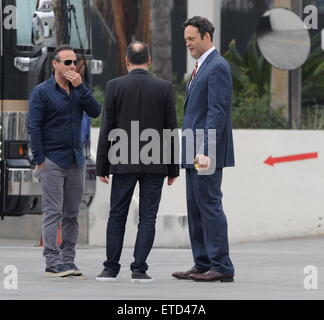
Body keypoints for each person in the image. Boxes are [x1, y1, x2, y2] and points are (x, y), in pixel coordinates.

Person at [96, 41, 179, 283]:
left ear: (126, 60)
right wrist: (173, 168)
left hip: (122, 160)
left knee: (117, 214)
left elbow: (107, 128)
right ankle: (139, 269)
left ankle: (110, 268)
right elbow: (170, 129)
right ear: (149, 60)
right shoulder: (164, 87)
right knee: (148, 216)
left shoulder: (114, 86)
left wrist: (102, 166)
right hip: (155, 162)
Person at [28, 44, 101, 277]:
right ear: (55, 64)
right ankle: (52, 259)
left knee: (72, 213)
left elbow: (95, 111)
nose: (72, 66)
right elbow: (34, 127)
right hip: (52, 160)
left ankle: (68, 259)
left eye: (74, 62)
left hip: (75, 160)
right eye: (67, 62)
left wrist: (81, 87)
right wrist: (40, 159)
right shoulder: (41, 92)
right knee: (53, 212)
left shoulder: (79, 89)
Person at [172, 16, 235, 282]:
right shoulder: (201, 66)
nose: (187, 43)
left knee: (209, 206)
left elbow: (216, 113)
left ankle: (221, 266)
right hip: (192, 152)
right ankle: (202, 262)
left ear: (207, 37)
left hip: (205, 153)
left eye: (191, 38)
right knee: (195, 208)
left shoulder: (217, 66)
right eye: (185, 39)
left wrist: (206, 150)